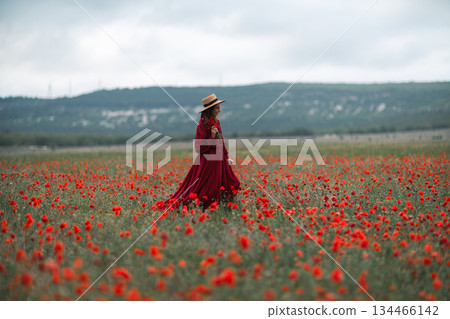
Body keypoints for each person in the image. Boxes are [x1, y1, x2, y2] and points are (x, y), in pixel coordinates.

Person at [161, 94, 240, 211]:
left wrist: (226, 155)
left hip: (220, 158)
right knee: (210, 187)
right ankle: (208, 207)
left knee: (232, 182)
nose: (220, 110)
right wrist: (212, 137)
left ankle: (223, 205)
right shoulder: (201, 125)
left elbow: (221, 140)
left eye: (219, 107)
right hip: (209, 161)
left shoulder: (216, 122)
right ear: (210, 110)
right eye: (217, 108)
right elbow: (199, 147)